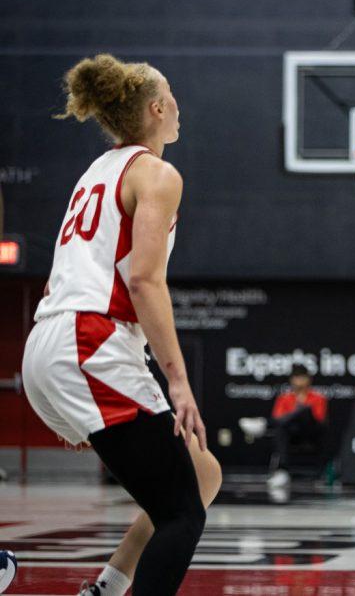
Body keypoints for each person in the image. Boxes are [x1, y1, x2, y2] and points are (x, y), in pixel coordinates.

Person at [20, 54, 222, 596]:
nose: (180, 106)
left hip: (47, 342)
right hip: (89, 343)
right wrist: (177, 381)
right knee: (182, 514)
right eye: (173, 95)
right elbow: (144, 283)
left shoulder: (97, 171)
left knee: (201, 474)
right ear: (158, 108)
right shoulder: (157, 173)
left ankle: (105, 588)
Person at [267, 363, 328, 487]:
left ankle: (265, 423)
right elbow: (277, 419)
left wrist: (299, 411)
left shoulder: (318, 398)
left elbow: (320, 420)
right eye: (296, 377)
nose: (299, 381)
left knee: (305, 411)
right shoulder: (284, 398)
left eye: (302, 377)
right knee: (280, 429)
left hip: (311, 434)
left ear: (308, 379)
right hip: (292, 435)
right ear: (291, 380)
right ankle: (283, 470)